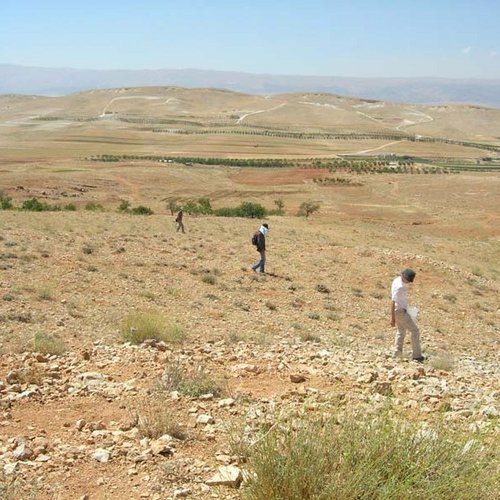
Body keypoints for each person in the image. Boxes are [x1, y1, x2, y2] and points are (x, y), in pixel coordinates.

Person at [390, 268, 424, 362]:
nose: (409, 282)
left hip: (400, 310)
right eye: (408, 280)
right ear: (404, 277)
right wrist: (392, 319)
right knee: (415, 331)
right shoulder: (399, 287)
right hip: (400, 311)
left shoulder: (397, 280)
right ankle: (417, 356)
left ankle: (397, 353)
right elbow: (393, 302)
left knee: (401, 331)